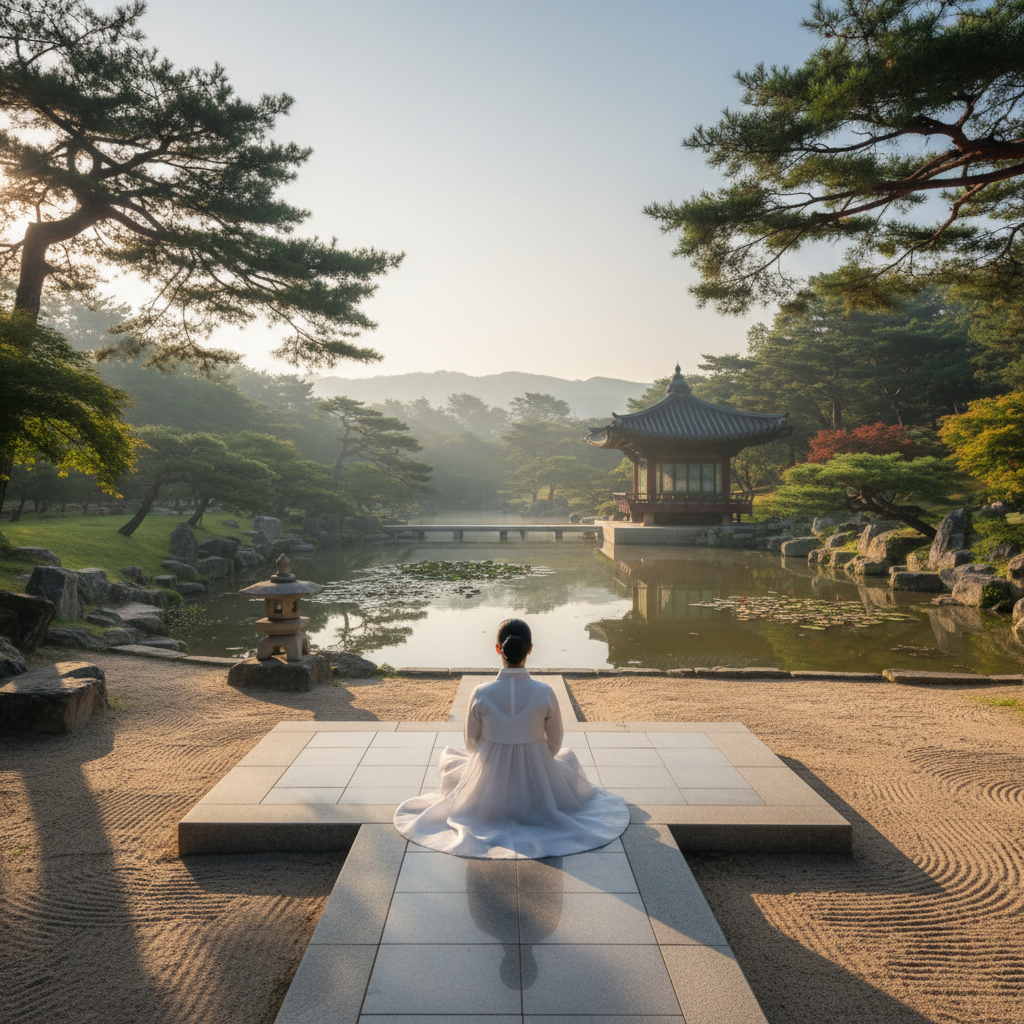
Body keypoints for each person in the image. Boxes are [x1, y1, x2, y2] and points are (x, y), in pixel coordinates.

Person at [393, 617, 629, 859]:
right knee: (568, 758)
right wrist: (534, 758)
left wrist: (495, 754)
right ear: (530, 650)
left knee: (451, 756)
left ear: (498, 649)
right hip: (537, 774)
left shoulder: (481, 693)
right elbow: (555, 744)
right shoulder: (544, 692)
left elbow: (470, 744)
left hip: (489, 775)